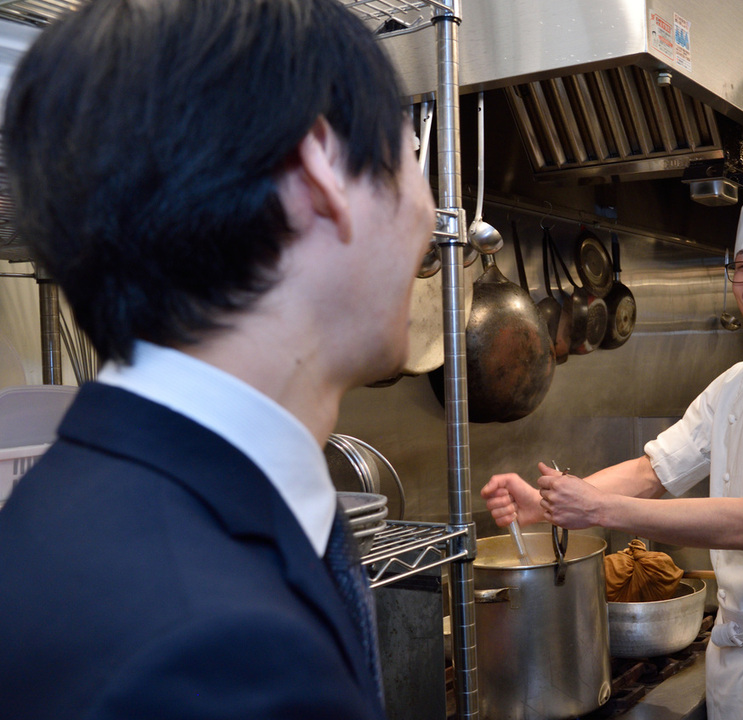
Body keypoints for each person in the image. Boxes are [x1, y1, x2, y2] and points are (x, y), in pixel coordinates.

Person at [0, 1, 435, 718]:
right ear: (320, 167)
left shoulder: (73, 508)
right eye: (414, 157)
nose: (429, 212)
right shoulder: (223, 658)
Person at [483, 198, 743, 719]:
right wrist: (546, 507)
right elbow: (652, 471)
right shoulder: (735, 383)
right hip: (732, 660)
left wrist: (597, 511)